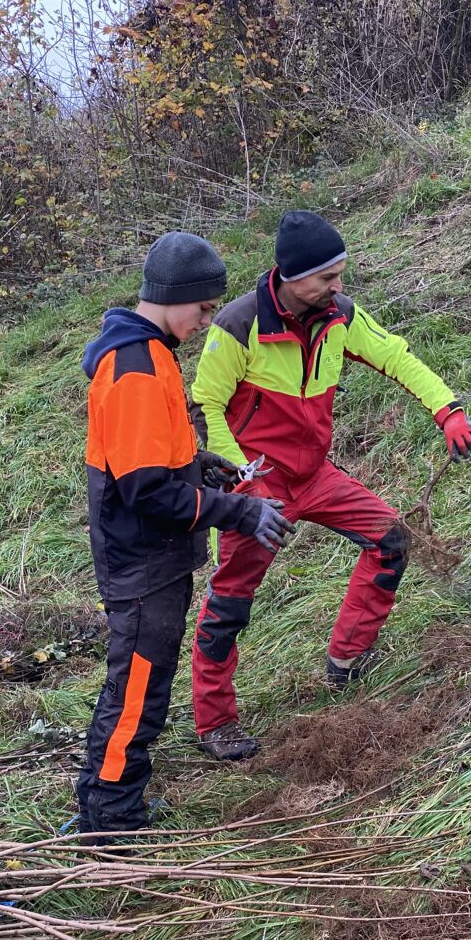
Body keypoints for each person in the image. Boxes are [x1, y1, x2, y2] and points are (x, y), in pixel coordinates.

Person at [189, 209, 471, 755]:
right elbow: (206, 405)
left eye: (339, 275)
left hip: (315, 475)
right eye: (327, 277)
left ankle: (347, 661)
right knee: (231, 601)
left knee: (390, 540)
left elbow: (396, 356)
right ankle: (214, 723)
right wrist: (242, 487)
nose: (337, 287)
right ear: (292, 276)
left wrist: (448, 409)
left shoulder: (339, 315)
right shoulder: (237, 323)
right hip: (255, 489)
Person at [76, 231, 294, 841]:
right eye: (202, 309)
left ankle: (104, 795)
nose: (205, 321)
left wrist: (196, 462)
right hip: (143, 558)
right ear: (175, 297)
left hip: (151, 555)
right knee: (138, 687)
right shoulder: (138, 367)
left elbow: (143, 459)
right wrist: (238, 512)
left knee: (139, 678)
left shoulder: (149, 354)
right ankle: (112, 819)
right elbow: (147, 491)